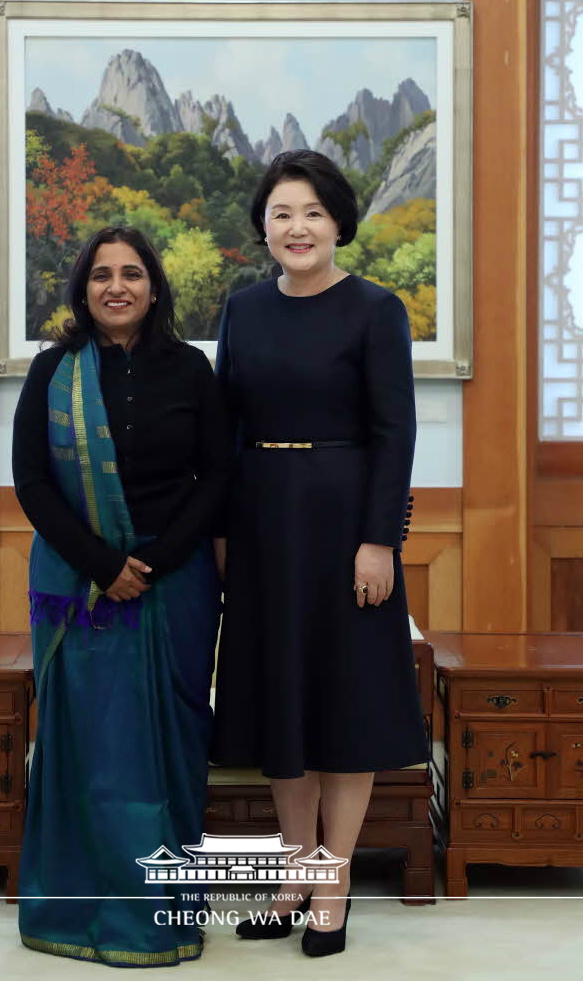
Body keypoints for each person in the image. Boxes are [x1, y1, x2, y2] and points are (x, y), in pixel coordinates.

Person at [211, 150, 430, 958]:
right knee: (280, 699)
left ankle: (333, 880)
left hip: (346, 525)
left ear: (338, 222)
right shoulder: (243, 310)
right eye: (280, 214)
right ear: (263, 228)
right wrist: (225, 534)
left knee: (343, 701)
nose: (295, 227)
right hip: (262, 519)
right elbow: (226, 431)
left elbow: (394, 433)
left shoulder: (376, 309)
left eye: (311, 212)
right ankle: (292, 873)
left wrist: (380, 541)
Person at [13, 226, 229, 967]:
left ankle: (163, 908)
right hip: (80, 585)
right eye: (102, 274)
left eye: (132, 273)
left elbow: (218, 478)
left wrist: (156, 561)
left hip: (176, 584)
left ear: (155, 287)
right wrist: (104, 564)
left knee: (172, 742)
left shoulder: (192, 371)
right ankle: (77, 909)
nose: (117, 286)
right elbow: (34, 483)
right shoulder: (53, 371)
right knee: (91, 745)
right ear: (82, 288)